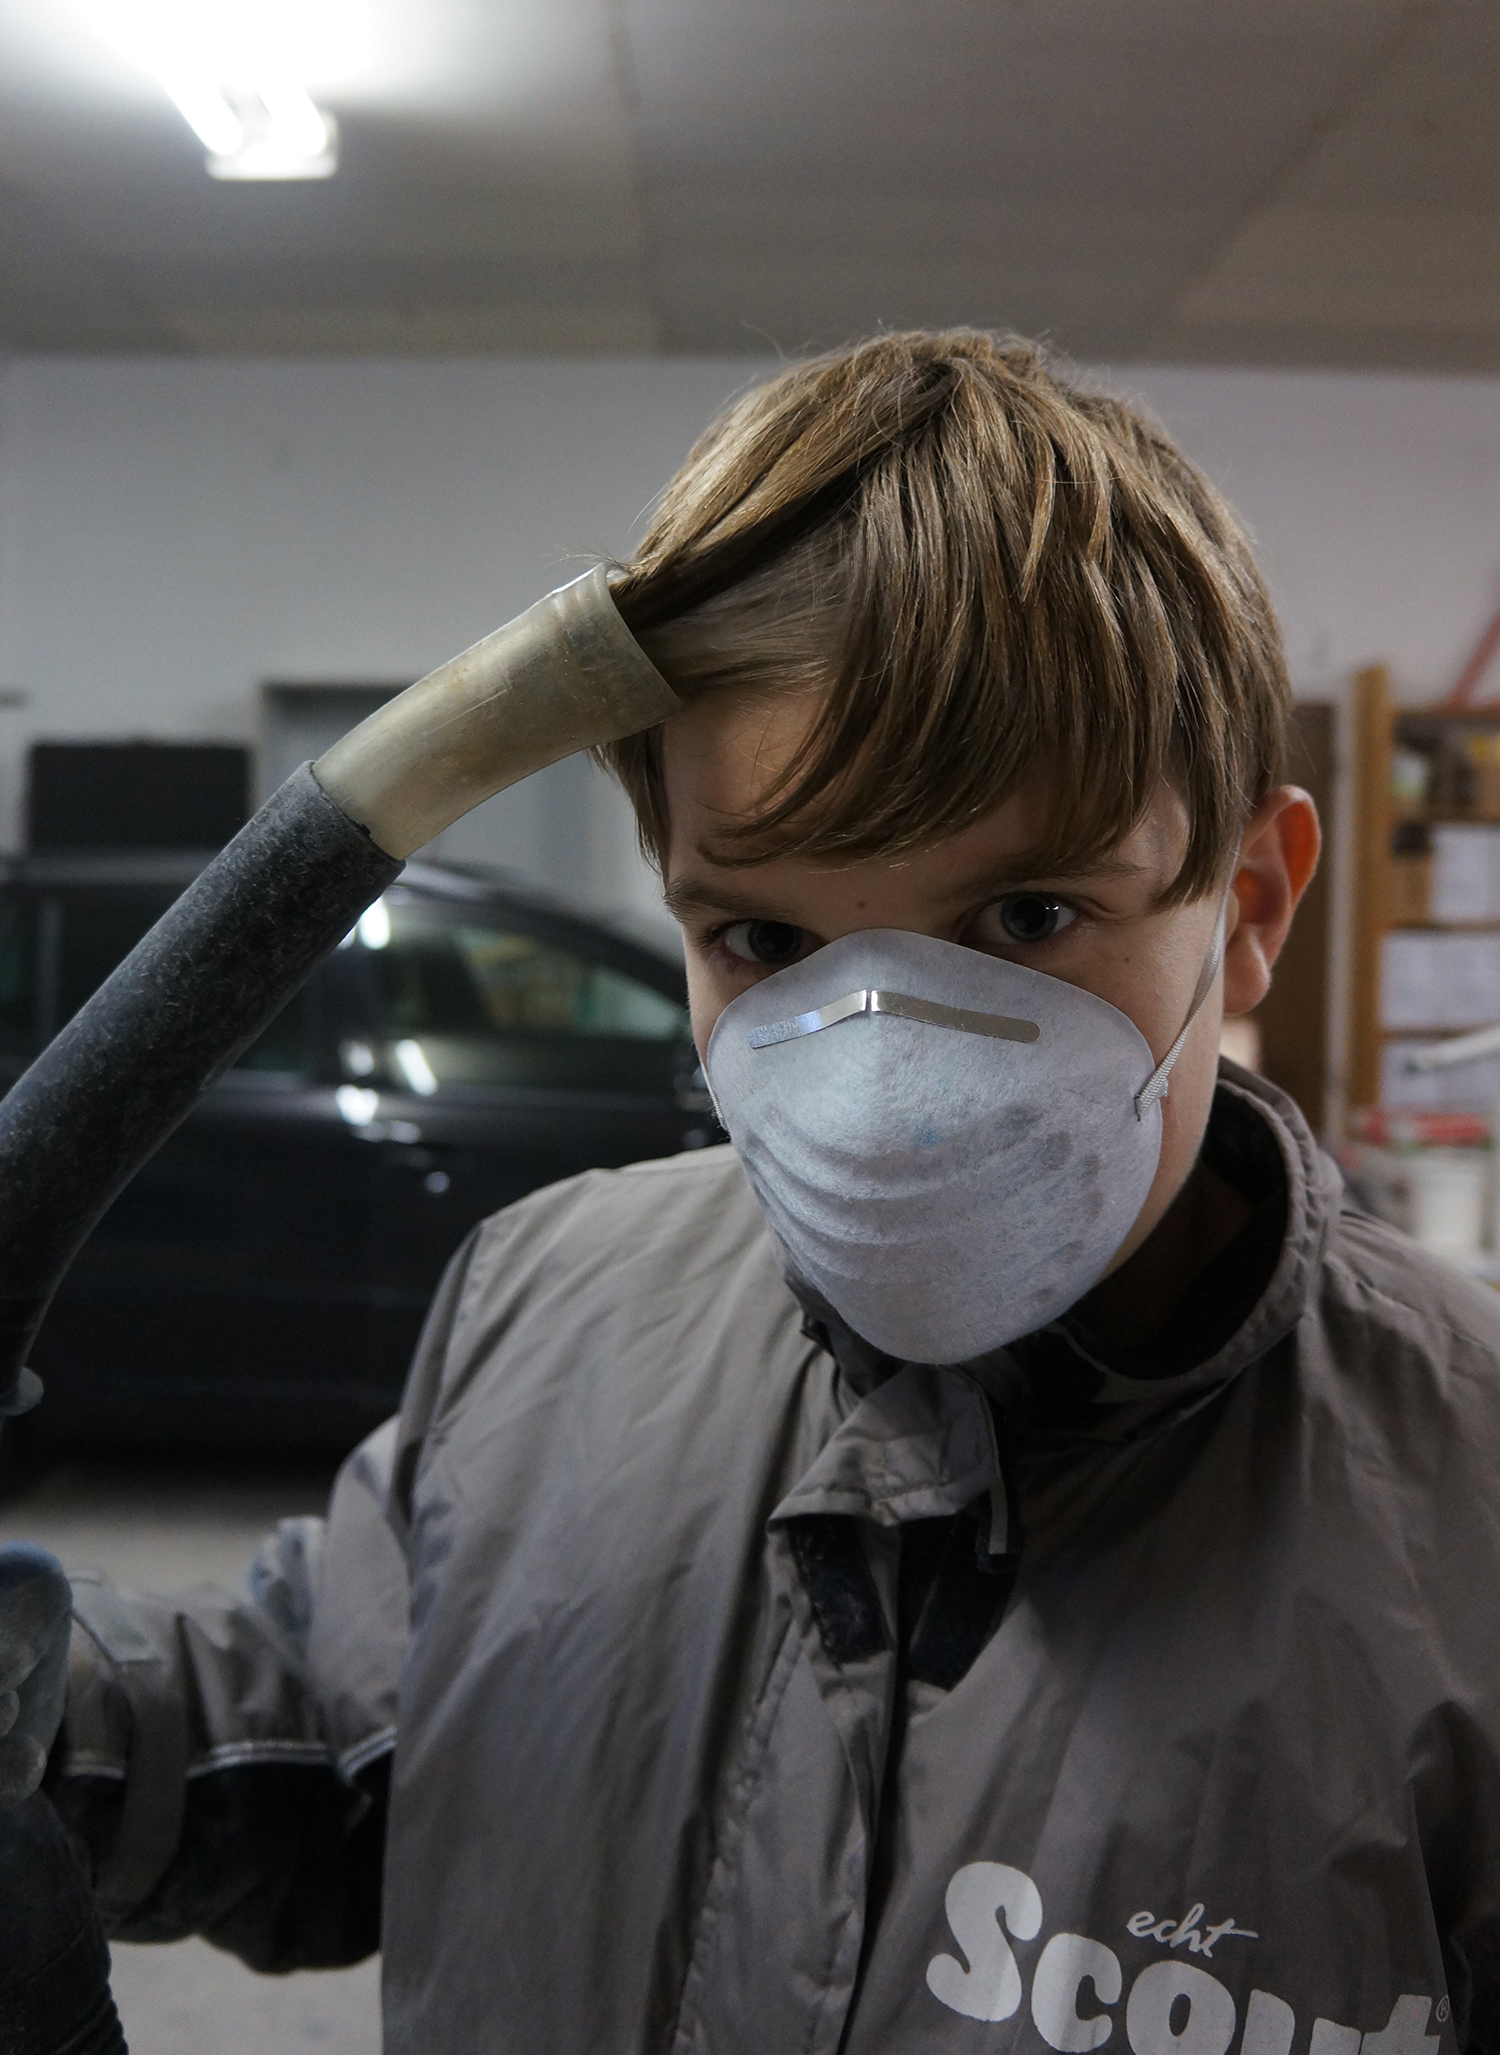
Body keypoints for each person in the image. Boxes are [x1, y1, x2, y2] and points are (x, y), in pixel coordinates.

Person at [17, 330, 1500, 2053]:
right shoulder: (554, 1302)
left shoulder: (1462, 1512)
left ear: (1246, 904)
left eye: (1026, 916)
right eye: (766, 937)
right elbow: (298, 1731)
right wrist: (55, 1712)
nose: (888, 1087)